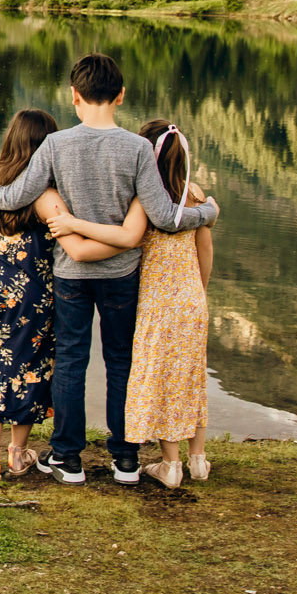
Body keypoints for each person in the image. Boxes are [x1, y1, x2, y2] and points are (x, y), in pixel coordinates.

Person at [0, 53, 219, 486]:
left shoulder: (56, 144)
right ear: (120, 95)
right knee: (121, 360)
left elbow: (13, 196)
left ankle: (68, 458)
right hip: (123, 273)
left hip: (70, 275)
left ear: (75, 95)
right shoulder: (139, 148)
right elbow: (163, 215)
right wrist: (208, 213)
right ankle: (126, 460)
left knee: (70, 361)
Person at [0, 108, 150, 481]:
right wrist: (129, 243)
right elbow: (76, 248)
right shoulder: (47, 195)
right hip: (36, 289)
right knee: (34, 366)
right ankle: (20, 453)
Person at [49, 119, 217, 489]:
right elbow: (200, 248)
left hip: (119, 290)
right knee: (150, 368)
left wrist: (74, 237)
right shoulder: (191, 193)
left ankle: (75, 456)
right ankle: (143, 457)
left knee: (85, 361)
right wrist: (198, 290)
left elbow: (133, 237)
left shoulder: (143, 196)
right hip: (158, 291)